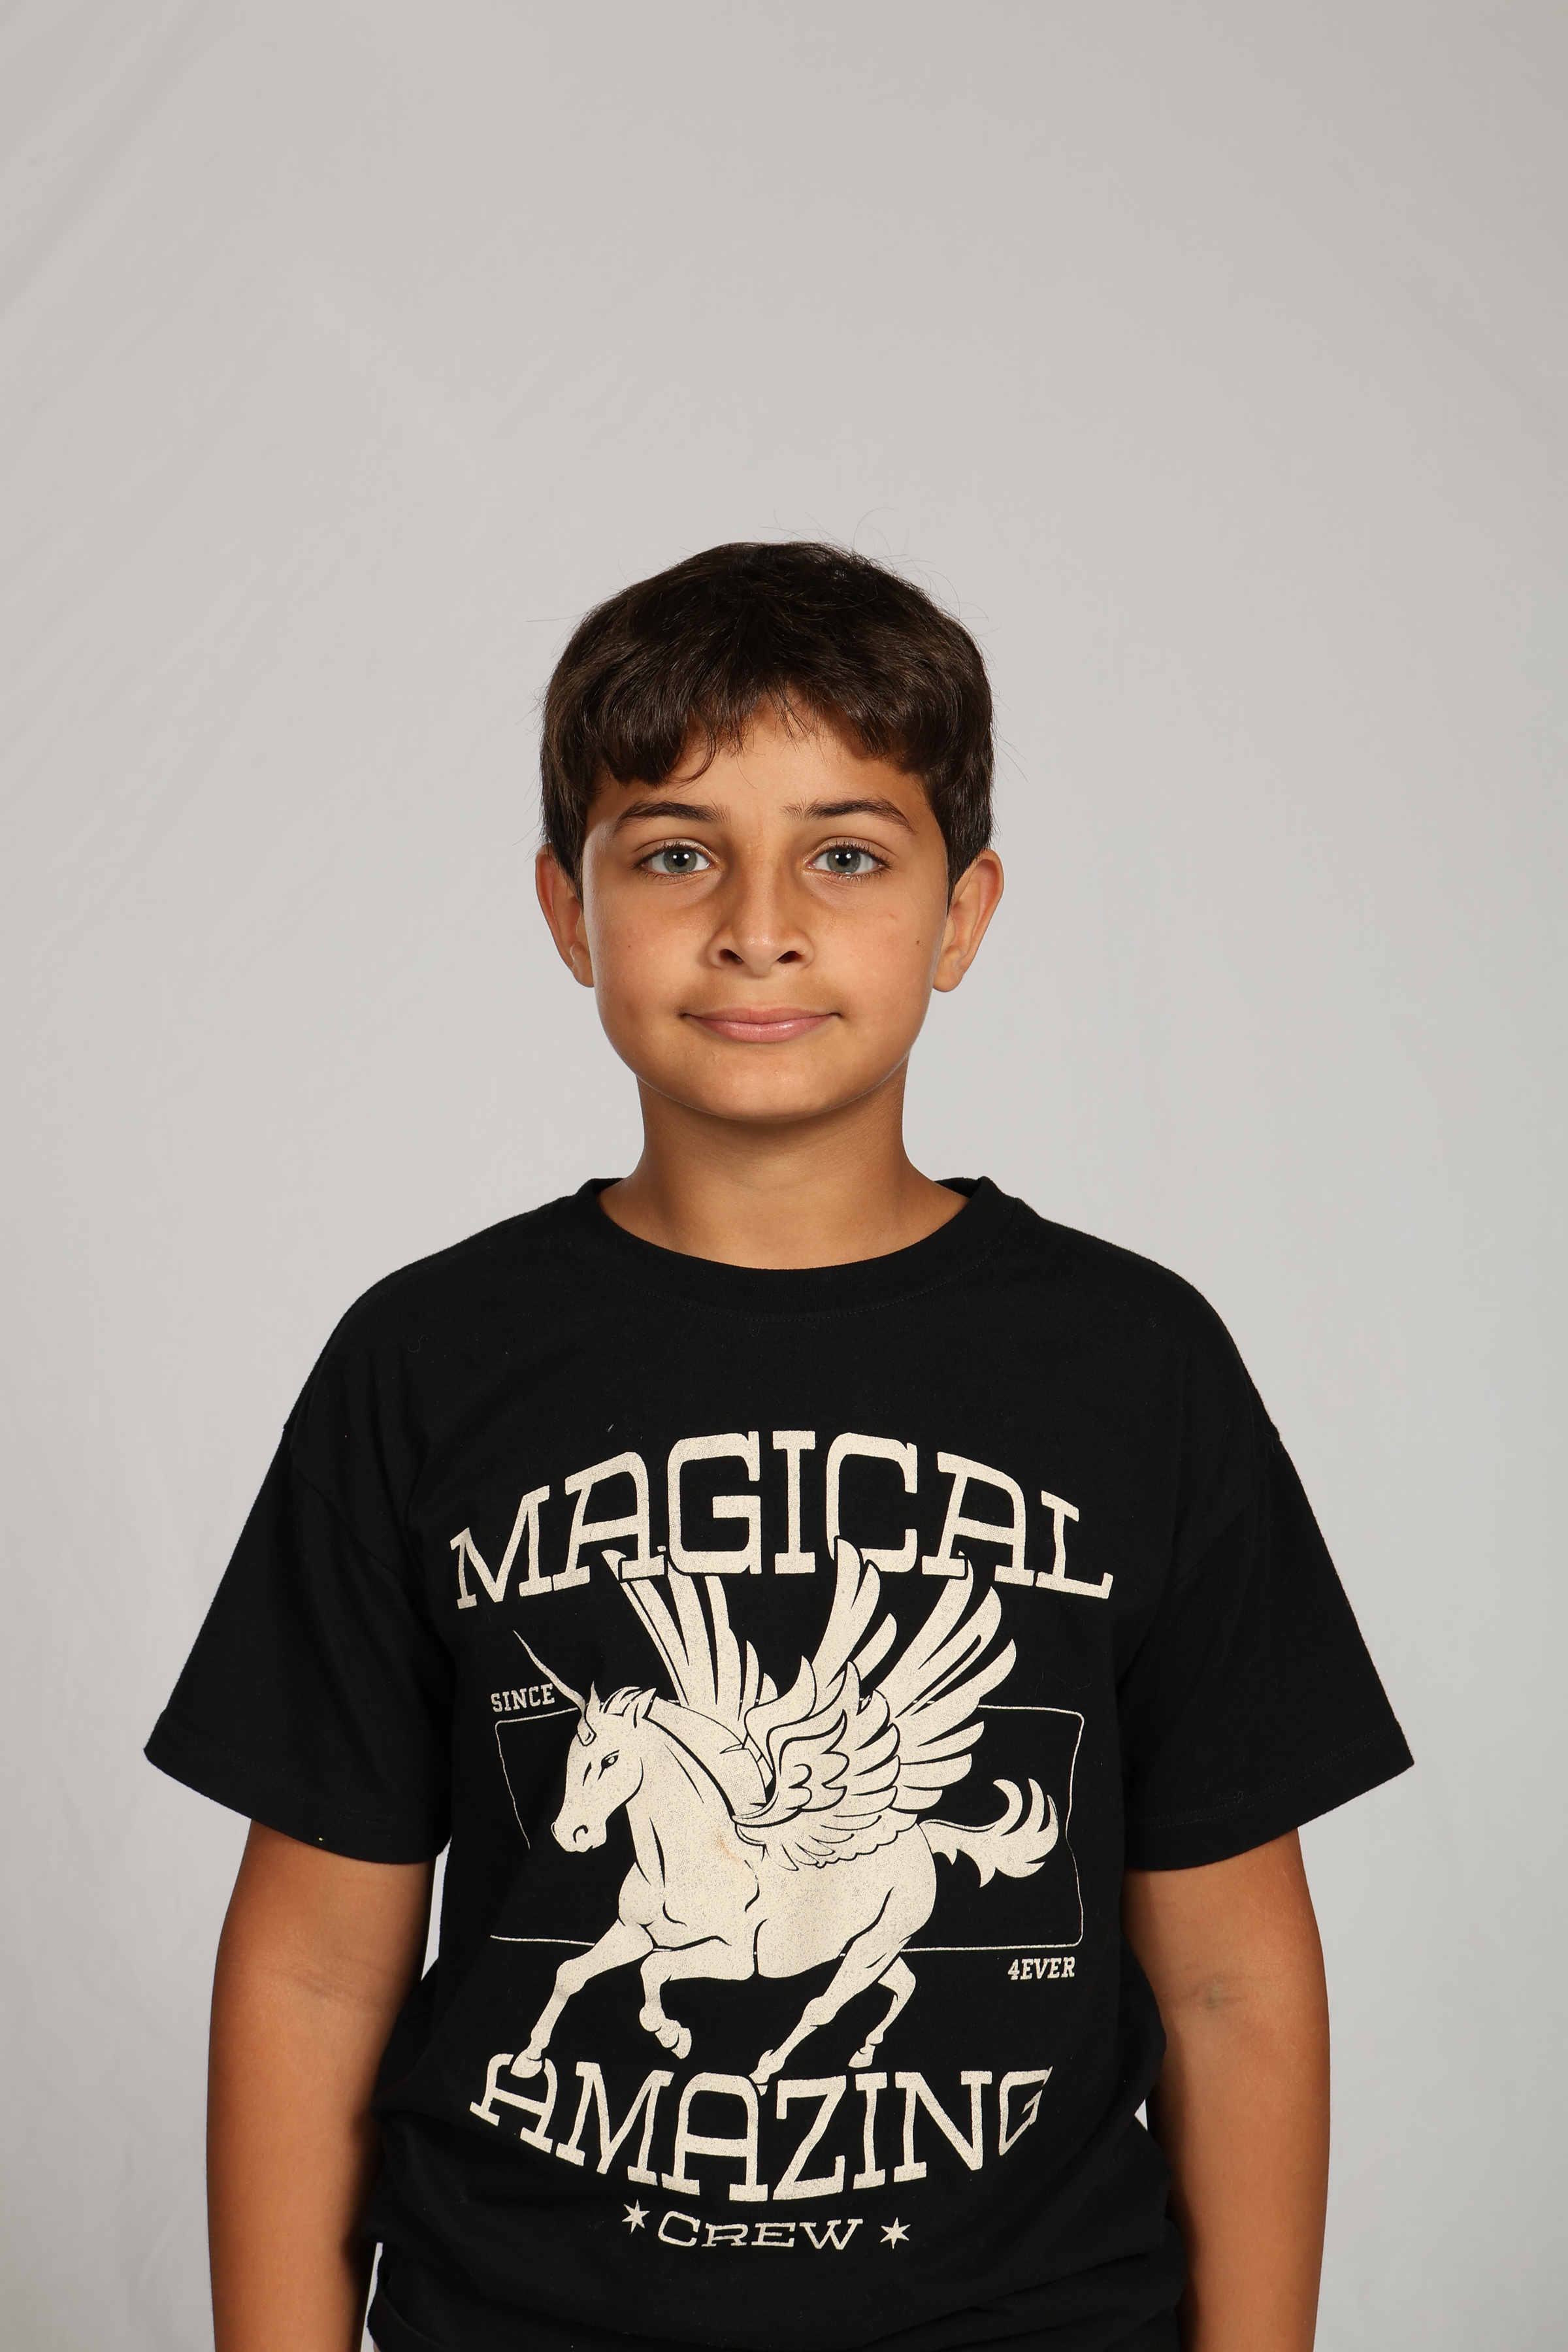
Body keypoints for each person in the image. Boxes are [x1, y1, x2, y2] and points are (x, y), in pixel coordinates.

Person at [148, 542, 1412, 2352]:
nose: (759, 924)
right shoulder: (423, 1362)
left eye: (846, 854)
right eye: (676, 854)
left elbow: (1227, 1979)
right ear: (567, 911)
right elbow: (313, 1966)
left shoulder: (1137, 1365)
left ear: (963, 914)